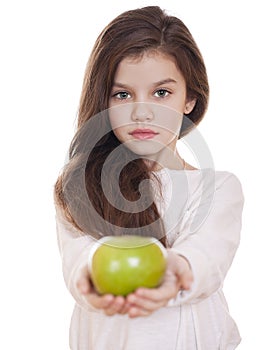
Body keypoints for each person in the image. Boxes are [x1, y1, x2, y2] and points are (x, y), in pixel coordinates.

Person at [54, 6, 244, 350]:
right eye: (123, 94)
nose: (142, 111)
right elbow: (79, 259)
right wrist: (90, 277)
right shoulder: (82, 186)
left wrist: (176, 269)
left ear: (190, 99)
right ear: (104, 103)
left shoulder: (219, 188)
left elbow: (208, 254)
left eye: (161, 92)